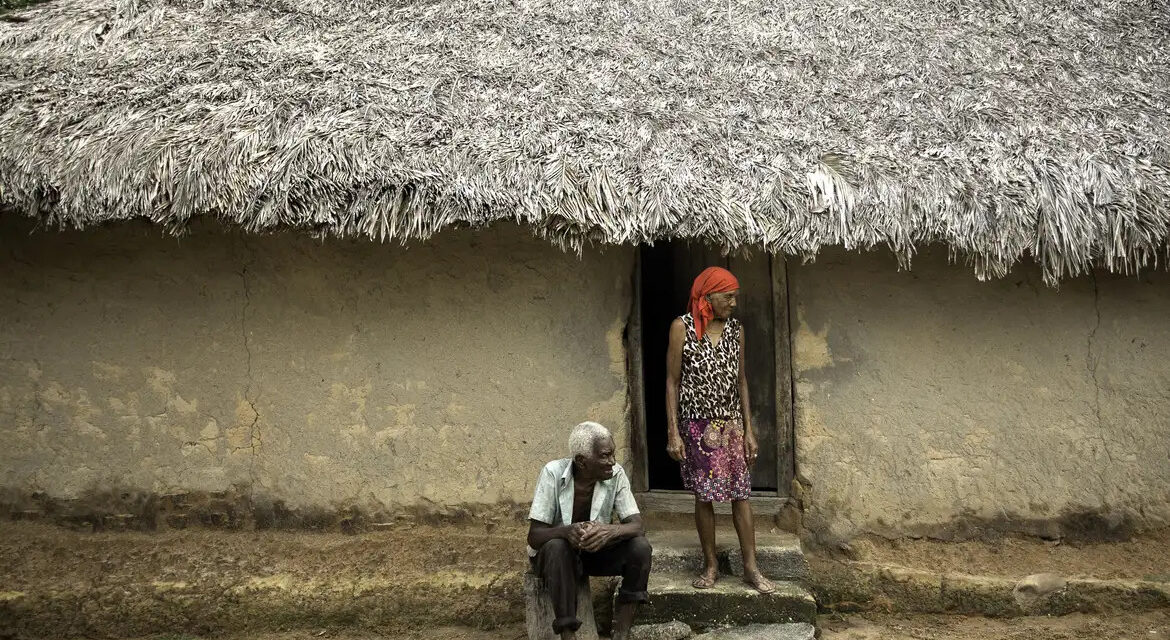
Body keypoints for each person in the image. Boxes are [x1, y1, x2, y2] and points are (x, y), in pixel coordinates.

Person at [665, 266, 775, 594]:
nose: (734, 303)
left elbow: (741, 380)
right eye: (728, 296)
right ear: (708, 295)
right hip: (696, 426)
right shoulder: (680, 328)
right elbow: (672, 381)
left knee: (741, 495)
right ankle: (710, 565)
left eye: (735, 297)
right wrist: (673, 431)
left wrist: (749, 430)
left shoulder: (736, 330)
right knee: (704, 496)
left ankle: (750, 568)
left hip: (730, 426)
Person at [527, 421, 651, 640]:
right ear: (582, 462)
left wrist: (610, 531)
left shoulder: (616, 474)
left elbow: (637, 525)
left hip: (595, 555)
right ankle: (568, 634)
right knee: (557, 546)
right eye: (604, 456)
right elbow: (535, 537)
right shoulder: (552, 473)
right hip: (556, 560)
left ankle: (622, 633)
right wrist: (566, 532)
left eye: (612, 454)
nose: (612, 461)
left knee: (640, 547)